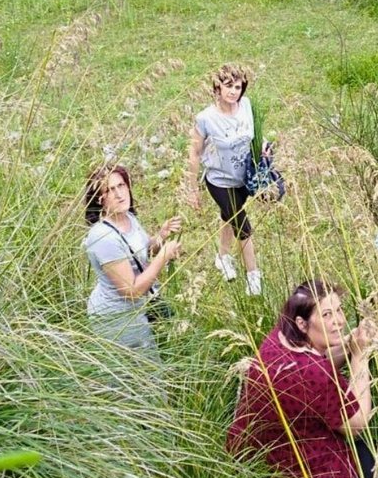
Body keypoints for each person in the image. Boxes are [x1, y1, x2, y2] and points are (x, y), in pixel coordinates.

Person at [228, 279, 378, 478]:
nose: (340, 321)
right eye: (326, 315)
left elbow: (319, 361)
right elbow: (356, 424)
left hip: (255, 461)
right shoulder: (313, 374)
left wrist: (349, 345)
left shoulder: (280, 337)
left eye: (339, 310)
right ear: (302, 323)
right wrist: (360, 354)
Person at [84, 163, 182, 355]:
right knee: (143, 376)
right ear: (99, 200)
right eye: (110, 190)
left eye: (121, 186)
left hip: (138, 311)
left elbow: (141, 252)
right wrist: (162, 258)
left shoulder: (127, 217)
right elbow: (131, 291)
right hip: (117, 319)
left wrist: (160, 237)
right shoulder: (103, 238)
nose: (119, 194)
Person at [187, 63, 261, 295]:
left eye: (238, 87)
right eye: (228, 86)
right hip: (219, 180)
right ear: (217, 88)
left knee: (228, 215)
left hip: (243, 178)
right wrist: (191, 188)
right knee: (243, 226)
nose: (233, 92)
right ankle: (253, 277)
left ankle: (222, 257)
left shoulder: (246, 106)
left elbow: (253, 136)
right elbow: (194, 152)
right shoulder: (206, 118)